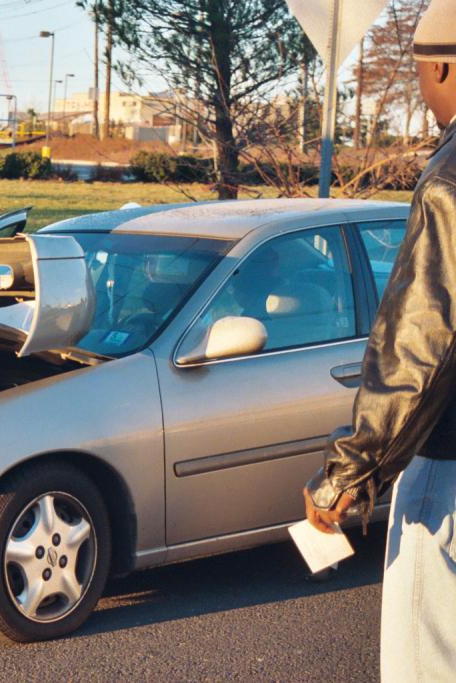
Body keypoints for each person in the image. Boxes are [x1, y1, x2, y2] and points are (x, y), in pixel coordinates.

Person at [302, 1, 456, 679]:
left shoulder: (451, 181)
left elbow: (423, 345)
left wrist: (351, 469)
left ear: (444, 67)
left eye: (421, 74)